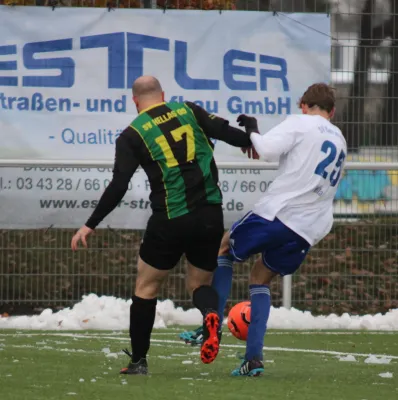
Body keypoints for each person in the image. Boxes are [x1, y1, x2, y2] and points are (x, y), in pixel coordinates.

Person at [71, 76, 253, 375]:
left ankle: (139, 361)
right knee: (199, 285)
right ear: (164, 95)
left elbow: (119, 185)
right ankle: (210, 315)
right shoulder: (189, 110)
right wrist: (252, 129)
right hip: (210, 216)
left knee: (146, 286)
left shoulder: (131, 135)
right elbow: (238, 138)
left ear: (135, 101)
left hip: (170, 219)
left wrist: (90, 224)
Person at [180, 83, 347, 377]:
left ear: (304, 105)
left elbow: (267, 149)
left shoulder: (301, 122)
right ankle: (253, 360)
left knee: (223, 248)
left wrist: (254, 131)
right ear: (331, 112)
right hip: (312, 226)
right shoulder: (339, 138)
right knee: (260, 278)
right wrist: (259, 142)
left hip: (281, 213)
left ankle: (213, 324)